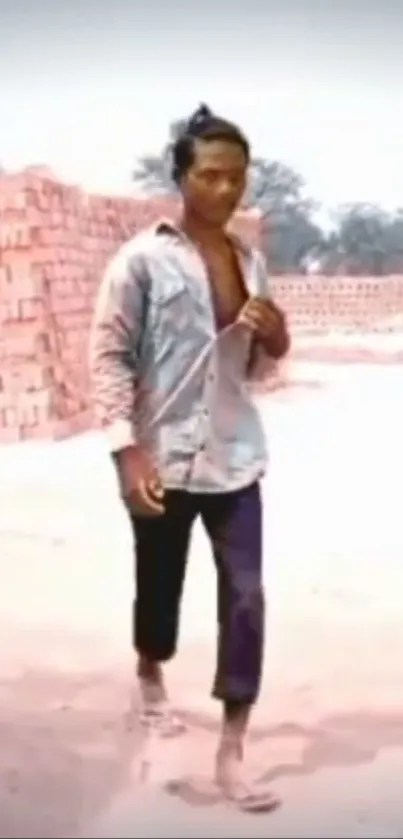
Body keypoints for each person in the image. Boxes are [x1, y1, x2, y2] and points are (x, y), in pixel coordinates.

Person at [90, 104, 290, 811]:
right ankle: (151, 670)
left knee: (245, 596)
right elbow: (110, 354)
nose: (226, 190)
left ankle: (231, 749)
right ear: (181, 177)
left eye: (237, 178)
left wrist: (277, 335)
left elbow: (259, 371)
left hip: (236, 456)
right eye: (210, 175)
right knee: (160, 584)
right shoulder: (141, 259)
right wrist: (125, 450)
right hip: (163, 457)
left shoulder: (250, 261)